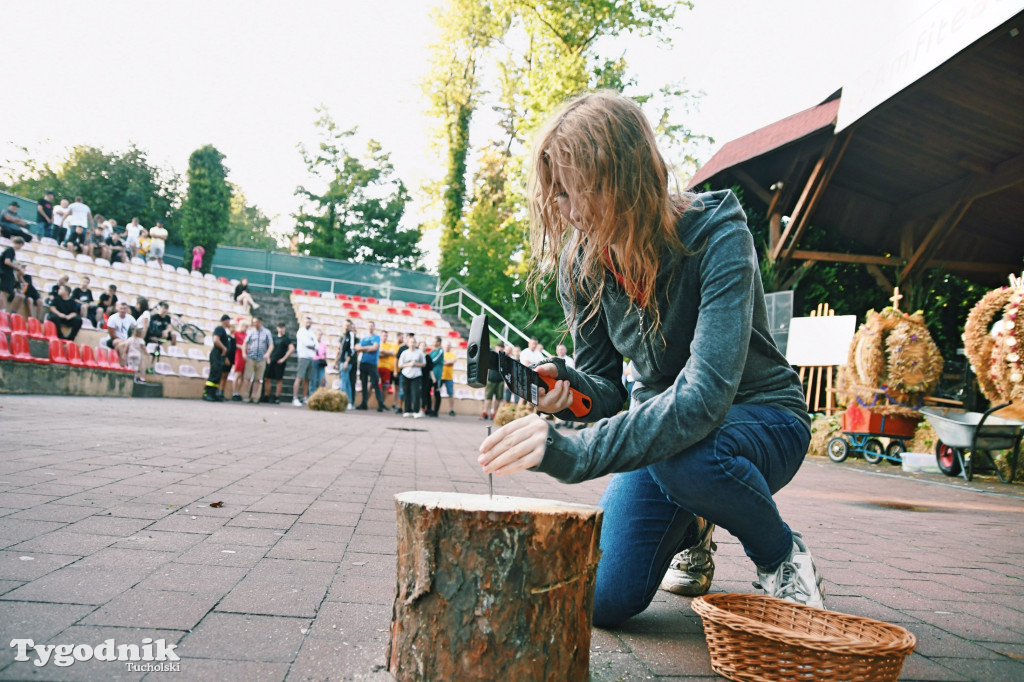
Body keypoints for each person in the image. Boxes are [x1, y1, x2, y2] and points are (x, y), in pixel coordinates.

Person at [477, 91, 823, 629]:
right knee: (603, 601)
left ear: (626, 178)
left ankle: (781, 558)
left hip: (762, 420)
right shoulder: (582, 261)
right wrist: (564, 389)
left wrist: (571, 453)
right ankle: (694, 522)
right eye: (558, 196)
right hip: (670, 441)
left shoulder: (718, 232)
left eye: (576, 194)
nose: (567, 213)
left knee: (688, 456)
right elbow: (608, 390)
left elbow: (705, 398)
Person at [355, 321, 385, 412]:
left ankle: (380, 404)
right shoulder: (363, 339)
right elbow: (357, 348)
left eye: (372, 326)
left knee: (375, 384)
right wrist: (368, 348)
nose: (370, 327)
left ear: (374, 327)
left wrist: (363, 349)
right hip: (363, 363)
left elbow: (374, 348)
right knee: (363, 384)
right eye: (369, 326)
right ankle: (364, 403)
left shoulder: (376, 337)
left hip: (372, 364)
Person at [242, 316, 273, 403]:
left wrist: (267, 354)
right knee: (247, 377)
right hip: (251, 357)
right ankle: (246, 395)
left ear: (260, 322)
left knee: (258, 379)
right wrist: (244, 353)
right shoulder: (251, 332)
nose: (254, 323)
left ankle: (254, 396)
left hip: (261, 358)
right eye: (253, 322)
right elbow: (245, 343)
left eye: (256, 322)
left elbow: (271, 344)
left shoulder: (267, 332)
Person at [204, 315, 233, 402]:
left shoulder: (224, 331)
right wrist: (224, 348)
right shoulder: (219, 329)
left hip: (221, 356)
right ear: (225, 321)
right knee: (214, 374)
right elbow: (216, 340)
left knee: (218, 375)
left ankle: (213, 393)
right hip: (217, 354)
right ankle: (207, 393)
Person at [266, 322, 295, 404]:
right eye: (279, 327)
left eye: (282, 327)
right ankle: (266, 395)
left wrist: (283, 359)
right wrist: (268, 357)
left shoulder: (286, 339)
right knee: (267, 378)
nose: (281, 329)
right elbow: (269, 347)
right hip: (272, 360)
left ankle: (277, 397)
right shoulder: (274, 338)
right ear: (277, 328)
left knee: (279, 379)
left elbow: (292, 349)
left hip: (279, 362)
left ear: (284, 328)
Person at [398, 339, 426, 418]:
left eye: (414, 342)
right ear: (408, 343)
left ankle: (416, 411)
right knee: (406, 393)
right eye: (411, 342)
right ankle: (407, 410)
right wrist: (409, 364)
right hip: (405, 375)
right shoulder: (404, 353)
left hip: (416, 376)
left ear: (416, 343)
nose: (412, 344)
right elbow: (400, 365)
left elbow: (424, 364)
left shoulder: (419, 353)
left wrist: (416, 364)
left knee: (416, 393)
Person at [292, 316, 317, 406]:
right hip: (303, 357)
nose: (308, 324)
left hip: (311, 357)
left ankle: (304, 397)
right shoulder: (301, 331)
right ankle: (295, 398)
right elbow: (308, 343)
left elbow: (316, 345)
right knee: (299, 378)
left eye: (310, 322)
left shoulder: (311, 333)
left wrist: (313, 345)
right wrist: (313, 344)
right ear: (303, 322)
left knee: (307, 379)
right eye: (307, 322)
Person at [334, 319, 358, 409]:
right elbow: (340, 350)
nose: (346, 327)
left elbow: (351, 350)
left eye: (348, 325)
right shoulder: (343, 336)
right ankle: (348, 402)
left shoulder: (350, 335)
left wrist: (346, 362)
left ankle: (343, 401)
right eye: (345, 325)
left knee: (344, 383)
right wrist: (336, 362)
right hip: (341, 361)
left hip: (345, 362)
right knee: (346, 382)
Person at [1, 236, 26, 314]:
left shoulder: (8, 250)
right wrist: (17, 268)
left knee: (5, 293)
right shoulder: (10, 250)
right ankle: (2, 311)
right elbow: (7, 262)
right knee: (4, 293)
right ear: (20, 244)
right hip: (5, 273)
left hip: (5, 273)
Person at [377, 330, 397, 409]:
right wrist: (386, 353)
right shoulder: (378, 344)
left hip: (387, 368)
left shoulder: (390, 345)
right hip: (377, 367)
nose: (385, 337)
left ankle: (382, 403)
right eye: (384, 335)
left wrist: (382, 352)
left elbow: (392, 353)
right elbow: (378, 354)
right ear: (381, 336)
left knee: (385, 387)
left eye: (386, 335)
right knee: (373, 384)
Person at [230, 317, 249, 401]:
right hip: (238, 355)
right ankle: (234, 392)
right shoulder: (236, 334)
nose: (245, 328)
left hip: (245, 356)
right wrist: (242, 347)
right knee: (237, 374)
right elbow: (234, 344)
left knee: (242, 376)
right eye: (244, 326)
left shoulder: (246, 335)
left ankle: (238, 392)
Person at [427, 336, 445, 417]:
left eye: (435, 341)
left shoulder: (441, 351)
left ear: (438, 342)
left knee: (436, 393)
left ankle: (436, 411)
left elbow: (433, 361)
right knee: (427, 392)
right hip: (430, 376)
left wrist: (427, 364)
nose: (433, 343)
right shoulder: (431, 352)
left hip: (437, 376)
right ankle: (429, 409)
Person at [441, 340, 457, 416]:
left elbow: (452, 361)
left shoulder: (453, 355)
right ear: (443, 346)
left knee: (450, 394)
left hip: (449, 377)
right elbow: (449, 362)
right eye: (446, 345)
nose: (447, 346)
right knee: (436, 393)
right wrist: (448, 361)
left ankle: (451, 409)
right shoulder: (441, 353)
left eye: (448, 345)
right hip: (440, 376)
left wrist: (444, 362)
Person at [392, 332, 408, 413]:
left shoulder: (415, 348)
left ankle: (406, 408)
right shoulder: (402, 348)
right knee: (399, 390)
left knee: (402, 390)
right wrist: (395, 370)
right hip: (401, 372)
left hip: (409, 373)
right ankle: (398, 406)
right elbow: (396, 359)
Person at [312, 328, 328, 394]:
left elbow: (325, 354)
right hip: (314, 361)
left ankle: (320, 394)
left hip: (321, 362)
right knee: (313, 379)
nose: (319, 336)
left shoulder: (323, 344)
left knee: (322, 379)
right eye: (318, 334)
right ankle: (312, 394)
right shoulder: (312, 343)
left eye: (320, 335)